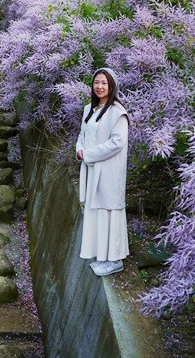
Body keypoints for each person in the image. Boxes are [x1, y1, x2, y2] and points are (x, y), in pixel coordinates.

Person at [76, 66, 130, 276]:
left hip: (109, 172)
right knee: (96, 211)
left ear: (111, 86)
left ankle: (114, 259)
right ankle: (102, 255)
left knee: (110, 211)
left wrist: (88, 154)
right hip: (91, 168)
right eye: (96, 83)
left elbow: (117, 143)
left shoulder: (118, 112)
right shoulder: (89, 109)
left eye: (104, 83)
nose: (99, 87)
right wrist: (80, 150)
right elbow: (82, 135)